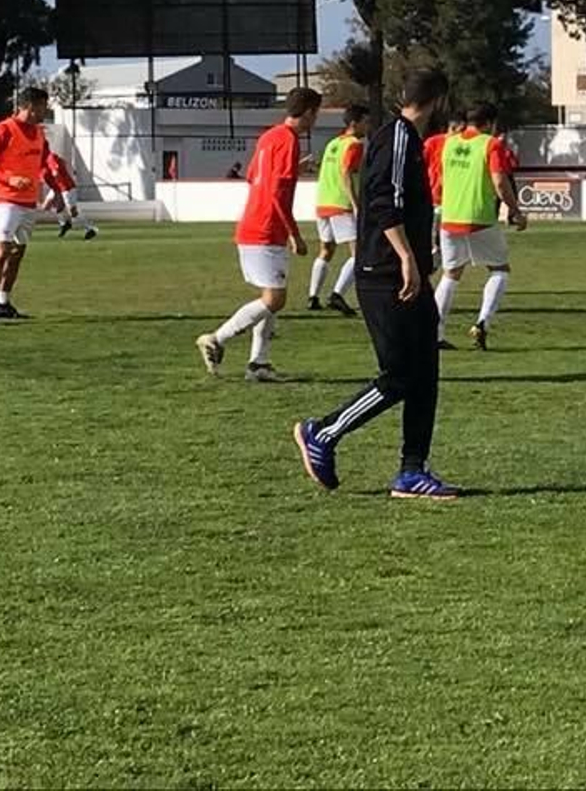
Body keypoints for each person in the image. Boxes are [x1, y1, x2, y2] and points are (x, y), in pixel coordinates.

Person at [292, 68, 458, 500]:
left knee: (426, 374)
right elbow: (384, 203)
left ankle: (412, 471)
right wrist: (405, 257)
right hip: (385, 276)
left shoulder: (406, 140)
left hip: (408, 275)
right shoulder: (399, 138)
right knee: (402, 375)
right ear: (439, 100)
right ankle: (323, 433)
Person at [195, 87, 322, 382]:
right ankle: (217, 338)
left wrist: (294, 169)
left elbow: (254, 176)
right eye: (316, 112)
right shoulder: (288, 140)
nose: (315, 119)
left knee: (270, 294)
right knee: (275, 299)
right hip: (266, 227)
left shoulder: (269, 136)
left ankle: (259, 364)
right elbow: (277, 192)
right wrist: (295, 233)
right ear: (308, 112)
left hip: (256, 222)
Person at [434, 103, 526, 351]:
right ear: (490, 123)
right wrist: (515, 210)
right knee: (499, 269)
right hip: (479, 217)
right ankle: (482, 322)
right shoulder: (491, 144)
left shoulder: (449, 142)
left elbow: (442, 178)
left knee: (450, 274)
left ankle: (433, 333)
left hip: (450, 217)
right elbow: (499, 180)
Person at [0, 86, 52, 324]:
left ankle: (4, 301)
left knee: (18, 252)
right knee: (1, 251)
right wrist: (9, 178)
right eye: (42, 106)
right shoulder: (4, 130)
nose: (44, 111)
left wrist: (54, 187)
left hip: (29, 202)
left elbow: (44, 162)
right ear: (29, 106)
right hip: (7, 200)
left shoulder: (39, 133)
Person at [307, 104, 369, 316]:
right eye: (365, 121)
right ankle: (337, 294)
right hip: (340, 204)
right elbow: (345, 173)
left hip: (323, 202)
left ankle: (313, 296)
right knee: (359, 252)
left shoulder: (333, 143)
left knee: (326, 250)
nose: (367, 126)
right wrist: (355, 204)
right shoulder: (354, 144)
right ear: (355, 123)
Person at [424, 117, 464, 260]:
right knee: (433, 243)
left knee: (449, 247)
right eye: (460, 131)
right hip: (433, 199)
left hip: (453, 201)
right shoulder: (433, 143)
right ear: (452, 128)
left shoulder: (461, 147)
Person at [39, 150, 97, 241]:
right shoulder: (38, 162)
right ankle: (65, 224)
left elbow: (56, 169)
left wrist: (56, 170)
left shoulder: (50, 157)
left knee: (72, 212)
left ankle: (90, 229)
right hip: (56, 188)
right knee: (47, 207)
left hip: (66, 187)